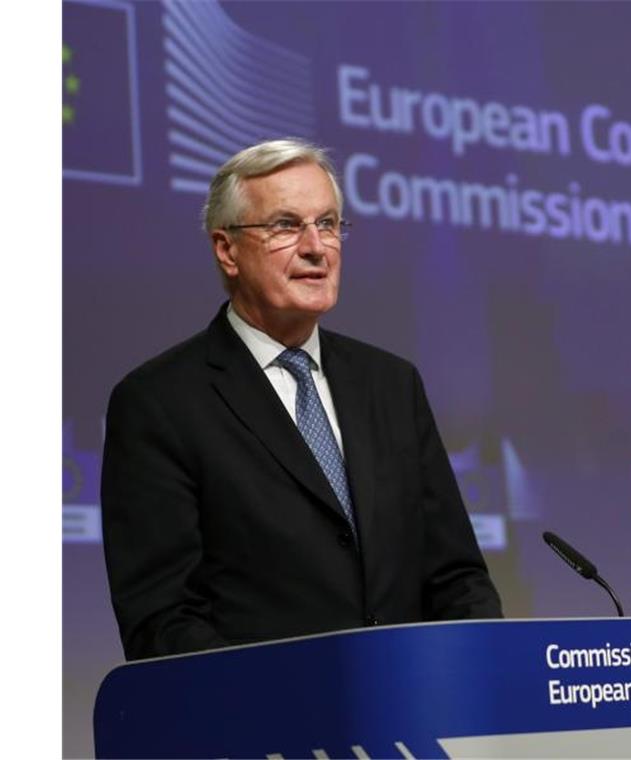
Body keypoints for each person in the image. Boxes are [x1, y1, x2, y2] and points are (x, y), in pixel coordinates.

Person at [101, 138, 502, 661]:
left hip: (413, 718)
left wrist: (474, 672)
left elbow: (456, 575)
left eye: (329, 223)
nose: (317, 247)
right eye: (286, 226)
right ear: (227, 250)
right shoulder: (158, 403)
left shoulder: (391, 384)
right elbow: (163, 617)